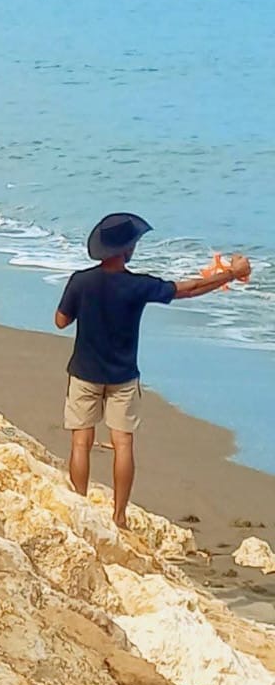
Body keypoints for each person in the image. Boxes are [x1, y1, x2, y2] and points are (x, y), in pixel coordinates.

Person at [55, 212, 252, 528]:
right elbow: (189, 289)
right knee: (123, 444)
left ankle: (79, 509)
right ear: (127, 249)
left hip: (84, 371)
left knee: (81, 442)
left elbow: (61, 321)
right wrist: (231, 273)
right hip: (122, 376)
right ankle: (119, 516)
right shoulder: (138, 286)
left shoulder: (81, 281)